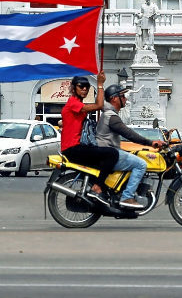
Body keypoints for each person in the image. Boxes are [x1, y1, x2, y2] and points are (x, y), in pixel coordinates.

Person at [96, 84, 164, 208]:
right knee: (141, 164)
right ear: (114, 98)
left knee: (134, 158)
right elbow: (129, 134)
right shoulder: (111, 116)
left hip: (110, 151)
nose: (126, 99)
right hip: (109, 153)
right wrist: (151, 142)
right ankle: (127, 197)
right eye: (123, 96)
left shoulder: (109, 114)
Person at [61, 72, 119, 206]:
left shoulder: (76, 104)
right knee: (112, 154)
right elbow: (98, 105)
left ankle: (100, 191)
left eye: (87, 86)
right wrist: (99, 85)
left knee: (102, 164)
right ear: (73, 88)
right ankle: (97, 188)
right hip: (73, 148)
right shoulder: (73, 103)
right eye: (81, 86)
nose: (85, 89)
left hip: (74, 146)